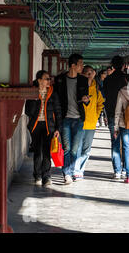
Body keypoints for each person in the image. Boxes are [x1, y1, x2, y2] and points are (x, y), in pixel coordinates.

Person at [53, 54, 90, 184]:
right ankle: (67, 174)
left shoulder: (83, 80)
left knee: (75, 149)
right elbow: (56, 100)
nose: (82, 66)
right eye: (80, 64)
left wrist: (86, 100)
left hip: (79, 118)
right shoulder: (60, 80)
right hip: (65, 119)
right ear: (73, 65)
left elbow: (86, 99)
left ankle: (72, 170)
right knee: (67, 148)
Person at [25, 70, 62, 187]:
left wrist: (58, 128)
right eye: (46, 79)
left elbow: (58, 112)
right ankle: (37, 175)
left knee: (46, 151)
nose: (49, 81)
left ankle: (46, 176)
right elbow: (27, 111)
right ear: (39, 80)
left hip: (48, 126)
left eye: (49, 79)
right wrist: (35, 98)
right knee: (37, 151)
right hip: (36, 125)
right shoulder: (32, 93)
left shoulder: (53, 93)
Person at [73, 65, 105, 181]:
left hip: (91, 122)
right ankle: (76, 170)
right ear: (82, 74)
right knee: (77, 147)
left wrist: (96, 116)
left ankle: (81, 170)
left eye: (91, 72)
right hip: (79, 121)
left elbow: (100, 103)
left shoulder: (96, 88)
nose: (89, 74)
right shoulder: (78, 86)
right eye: (87, 72)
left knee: (86, 149)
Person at [104, 56, 128, 179]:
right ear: (123, 65)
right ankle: (125, 169)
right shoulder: (127, 78)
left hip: (113, 114)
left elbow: (106, 99)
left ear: (112, 66)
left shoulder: (107, 80)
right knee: (125, 142)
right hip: (126, 115)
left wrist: (107, 115)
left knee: (114, 142)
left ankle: (117, 171)